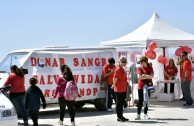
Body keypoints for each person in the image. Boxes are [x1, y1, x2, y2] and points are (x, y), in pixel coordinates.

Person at [112, 57, 129, 122]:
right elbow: (114, 78)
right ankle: (119, 117)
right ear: (119, 62)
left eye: (125, 62)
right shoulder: (118, 69)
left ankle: (121, 116)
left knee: (121, 103)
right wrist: (113, 85)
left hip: (123, 89)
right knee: (119, 104)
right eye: (123, 62)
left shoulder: (122, 69)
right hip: (119, 89)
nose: (124, 63)